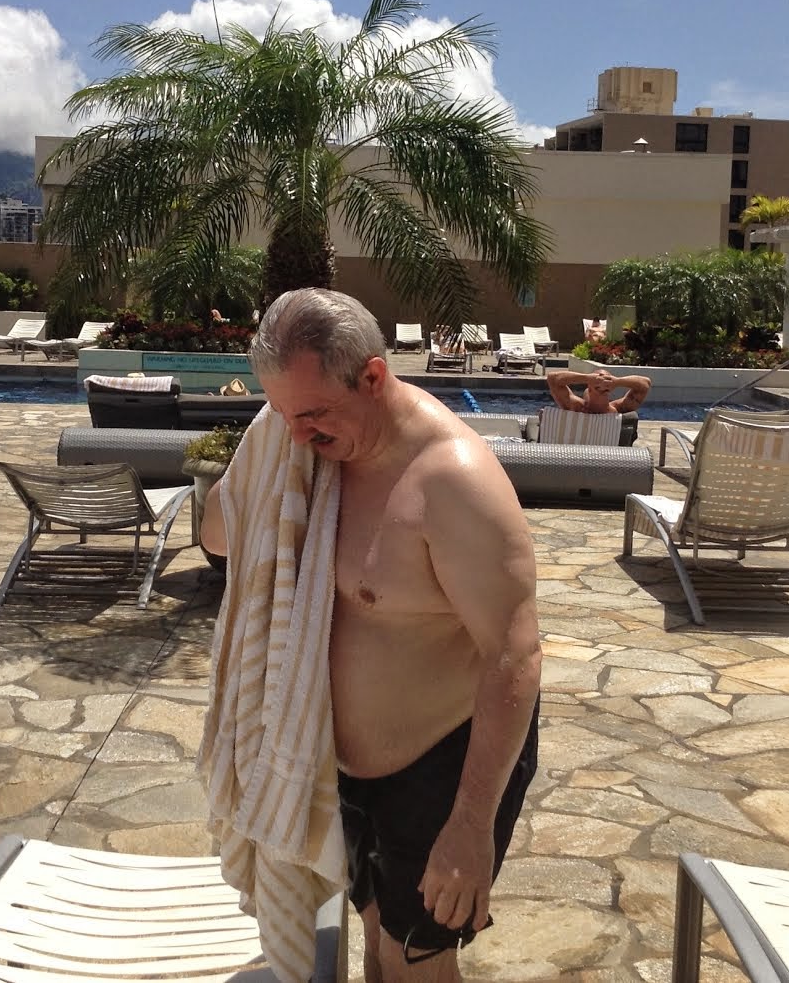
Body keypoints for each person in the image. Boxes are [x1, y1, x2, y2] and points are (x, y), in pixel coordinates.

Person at [201, 288, 541, 980]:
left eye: (315, 414)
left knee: (415, 960)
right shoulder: (307, 460)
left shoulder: (450, 481)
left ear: (374, 376)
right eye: (283, 415)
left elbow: (516, 654)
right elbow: (219, 537)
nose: (298, 434)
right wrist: (259, 460)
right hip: (347, 768)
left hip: (442, 768)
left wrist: (471, 825)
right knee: (377, 938)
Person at [545, 366, 651, 414]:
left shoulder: (619, 409)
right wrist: (587, 377)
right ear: (589, 388)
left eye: (607, 381)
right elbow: (552, 378)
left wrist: (617, 381)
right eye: (597, 381)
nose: (602, 384)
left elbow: (646, 383)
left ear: (611, 389)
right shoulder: (576, 407)